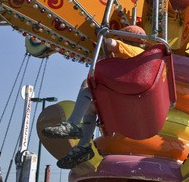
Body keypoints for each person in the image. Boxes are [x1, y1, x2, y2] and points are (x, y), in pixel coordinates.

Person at [42, 25, 147, 169]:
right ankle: (84, 145)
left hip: (123, 97)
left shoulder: (135, 51)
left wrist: (103, 35)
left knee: (88, 85)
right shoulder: (139, 56)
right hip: (127, 98)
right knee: (91, 108)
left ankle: (73, 124)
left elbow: (110, 44)